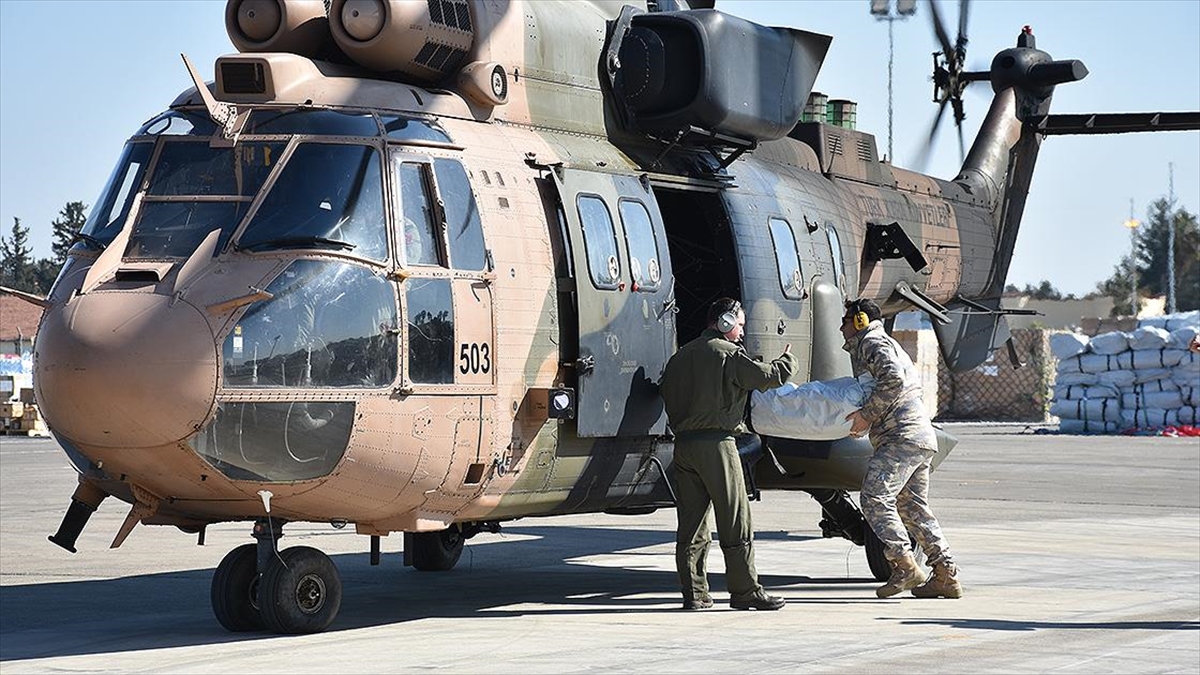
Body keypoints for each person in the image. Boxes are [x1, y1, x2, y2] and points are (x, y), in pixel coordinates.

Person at [659, 297, 798, 611]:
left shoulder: (679, 358)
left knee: (691, 524)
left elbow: (664, 391)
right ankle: (745, 590)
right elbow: (767, 377)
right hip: (718, 445)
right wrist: (788, 361)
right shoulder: (727, 353)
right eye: (740, 325)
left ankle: (694, 593)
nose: (741, 332)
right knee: (735, 519)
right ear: (724, 322)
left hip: (683, 447)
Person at [841, 298, 961, 599]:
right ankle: (945, 574)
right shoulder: (883, 342)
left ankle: (904, 565)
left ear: (859, 321)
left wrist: (867, 415)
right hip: (916, 436)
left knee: (873, 498)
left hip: (901, 437)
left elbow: (892, 379)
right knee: (912, 509)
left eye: (845, 321)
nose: (840, 327)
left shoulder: (872, 343)